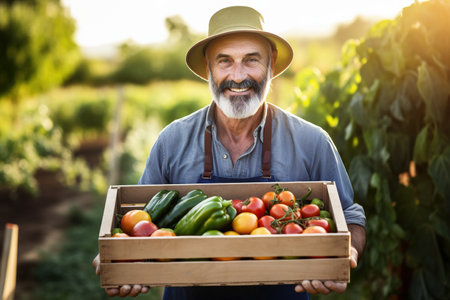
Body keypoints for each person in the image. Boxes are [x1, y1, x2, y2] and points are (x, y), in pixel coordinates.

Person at [93, 5, 366, 299]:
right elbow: (142, 220)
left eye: (251, 60)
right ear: (208, 67)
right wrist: (122, 261)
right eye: (225, 61)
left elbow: (349, 214)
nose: (237, 76)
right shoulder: (172, 141)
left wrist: (346, 252)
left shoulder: (312, 142)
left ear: (271, 64)